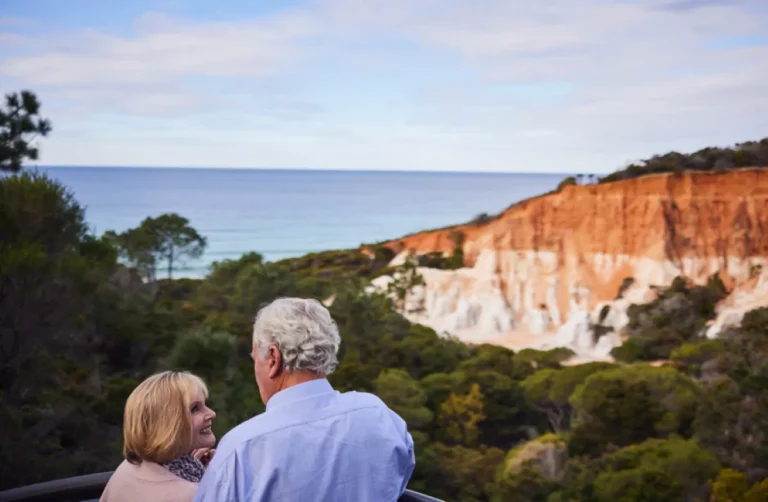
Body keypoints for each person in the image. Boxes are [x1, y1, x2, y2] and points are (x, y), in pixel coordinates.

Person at [194, 297, 415, 502]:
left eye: (255, 359)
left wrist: (218, 476)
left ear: (273, 358)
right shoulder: (379, 415)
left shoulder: (240, 449)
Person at [100, 371, 217, 502]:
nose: (211, 413)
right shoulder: (192, 495)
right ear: (166, 423)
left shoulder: (129, 468)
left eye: (204, 405)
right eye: (194, 409)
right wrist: (219, 479)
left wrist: (200, 473)